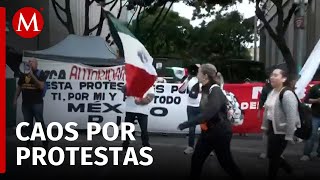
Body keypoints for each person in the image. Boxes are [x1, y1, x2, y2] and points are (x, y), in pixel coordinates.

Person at [177, 63, 243, 179]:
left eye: (199, 72)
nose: (196, 75)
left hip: (220, 133)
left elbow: (208, 113)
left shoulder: (215, 90)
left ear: (205, 76)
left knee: (226, 163)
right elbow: (183, 90)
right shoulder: (203, 87)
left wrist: (186, 124)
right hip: (207, 132)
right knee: (197, 159)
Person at [261, 68, 301, 180]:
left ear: (284, 78)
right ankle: (289, 170)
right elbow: (267, 111)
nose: (272, 77)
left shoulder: (287, 94)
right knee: (272, 155)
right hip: (272, 127)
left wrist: (289, 135)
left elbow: (291, 116)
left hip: (281, 130)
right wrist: (264, 126)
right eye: (271, 75)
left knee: (274, 157)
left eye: (275, 75)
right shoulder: (272, 92)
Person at [13, 58, 49, 149]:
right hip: (26, 104)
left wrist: (32, 76)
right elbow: (19, 88)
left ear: (36, 64)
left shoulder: (41, 73)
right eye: (28, 62)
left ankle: (45, 142)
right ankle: (29, 143)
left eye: (31, 62)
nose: (29, 63)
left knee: (40, 123)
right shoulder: (23, 74)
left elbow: (41, 86)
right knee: (28, 124)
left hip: (37, 103)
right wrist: (15, 100)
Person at [122, 86, 155, 150]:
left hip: (142, 110)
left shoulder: (149, 85)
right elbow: (123, 90)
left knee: (143, 129)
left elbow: (150, 97)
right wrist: (128, 85)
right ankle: (125, 144)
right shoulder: (131, 83)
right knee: (127, 128)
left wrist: (141, 101)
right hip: (130, 109)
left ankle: (145, 144)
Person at [178, 64, 201, 154]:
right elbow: (181, 90)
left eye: (197, 69)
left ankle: (208, 148)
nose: (195, 71)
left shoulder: (203, 80)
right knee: (191, 128)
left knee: (205, 128)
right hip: (191, 107)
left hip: (202, 107)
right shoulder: (189, 79)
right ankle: (190, 147)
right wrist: (187, 80)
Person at [300, 82, 320, 161]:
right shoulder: (315, 87)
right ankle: (306, 154)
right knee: (312, 134)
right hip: (315, 116)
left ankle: (319, 153)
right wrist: (317, 100)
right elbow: (306, 100)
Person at [258, 79, 273, 159]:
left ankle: (279, 153)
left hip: (280, 112)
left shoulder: (283, 87)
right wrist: (259, 111)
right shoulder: (266, 88)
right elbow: (262, 99)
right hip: (268, 111)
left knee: (279, 134)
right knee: (266, 132)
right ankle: (264, 152)